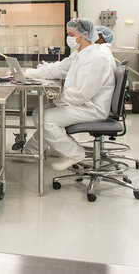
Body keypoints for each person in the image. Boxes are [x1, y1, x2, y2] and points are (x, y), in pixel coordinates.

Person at [21, 18, 116, 171]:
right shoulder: (81, 54)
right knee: (40, 112)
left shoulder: (95, 58)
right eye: (68, 34)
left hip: (91, 108)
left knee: (46, 118)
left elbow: (80, 94)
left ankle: (75, 153)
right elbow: (58, 69)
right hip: (83, 103)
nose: (69, 38)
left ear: (85, 34)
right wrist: (28, 73)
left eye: (72, 34)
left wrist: (57, 100)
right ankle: (33, 152)